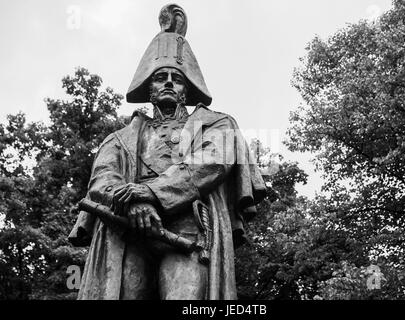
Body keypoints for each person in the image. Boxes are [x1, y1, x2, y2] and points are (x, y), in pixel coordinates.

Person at [69, 4, 266, 300]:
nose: (170, 83)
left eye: (177, 78)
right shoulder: (119, 139)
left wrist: (149, 194)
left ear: (187, 88)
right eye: (161, 77)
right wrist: (134, 205)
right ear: (150, 86)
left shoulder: (218, 125)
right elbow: (100, 183)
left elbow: (210, 163)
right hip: (128, 235)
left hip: (190, 233)